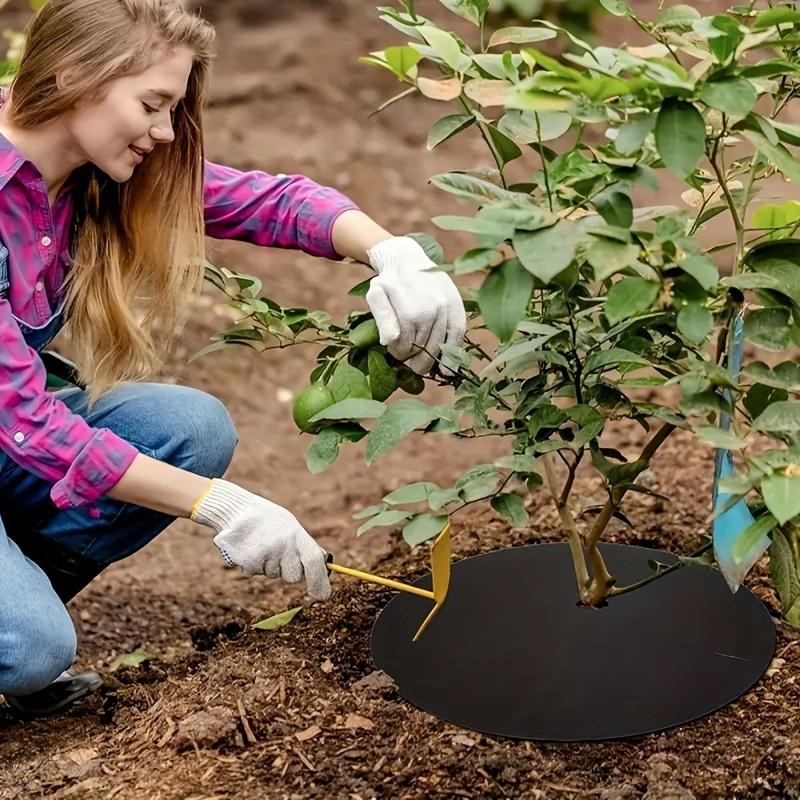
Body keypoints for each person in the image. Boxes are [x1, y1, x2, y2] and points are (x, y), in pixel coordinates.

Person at [0, 0, 466, 717]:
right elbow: (25, 420)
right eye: (152, 104)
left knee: (191, 428)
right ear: (72, 77)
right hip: (15, 429)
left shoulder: (87, 173)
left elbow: (268, 202)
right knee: (33, 649)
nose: (163, 132)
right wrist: (218, 506)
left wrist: (392, 253)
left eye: (173, 109)